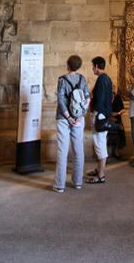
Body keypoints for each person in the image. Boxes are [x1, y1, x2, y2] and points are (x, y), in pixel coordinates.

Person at [53, 54, 90, 193]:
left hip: (64, 118)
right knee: (78, 149)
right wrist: (80, 116)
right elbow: (87, 99)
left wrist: (68, 118)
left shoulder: (62, 80)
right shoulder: (82, 79)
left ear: (68, 65)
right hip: (79, 118)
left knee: (62, 150)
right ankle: (78, 182)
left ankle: (60, 185)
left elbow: (61, 100)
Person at [86, 56, 112, 184]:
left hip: (100, 115)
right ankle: (98, 169)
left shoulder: (101, 80)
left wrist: (94, 115)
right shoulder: (107, 78)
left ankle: (101, 176)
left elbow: (100, 100)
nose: (92, 68)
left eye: (93, 66)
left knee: (100, 144)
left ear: (96, 66)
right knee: (100, 143)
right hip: (105, 114)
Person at [107, 91, 126, 160]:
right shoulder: (105, 97)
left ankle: (116, 151)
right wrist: (110, 117)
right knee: (109, 132)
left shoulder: (118, 97)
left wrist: (118, 113)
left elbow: (123, 109)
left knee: (120, 129)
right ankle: (106, 155)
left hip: (117, 118)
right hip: (107, 119)